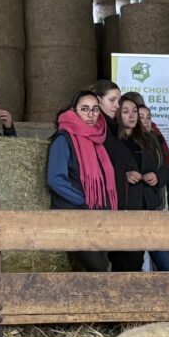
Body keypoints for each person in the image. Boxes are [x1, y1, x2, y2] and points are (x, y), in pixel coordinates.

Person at [46, 89, 118, 273]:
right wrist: (84, 200)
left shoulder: (98, 139)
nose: (90, 115)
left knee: (98, 267)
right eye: (84, 109)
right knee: (98, 268)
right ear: (74, 110)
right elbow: (55, 179)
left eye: (95, 109)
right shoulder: (63, 140)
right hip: (74, 215)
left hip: (95, 215)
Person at [118, 93, 169, 271]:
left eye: (134, 111)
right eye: (126, 111)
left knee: (166, 263)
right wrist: (124, 176)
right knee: (131, 262)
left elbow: (164, 167)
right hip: (127, 209)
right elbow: (106, 171)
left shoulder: (151, 138)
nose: (132, 115)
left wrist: (157, 177)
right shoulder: (112, 141)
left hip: (151, 206)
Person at [92, 79, 143, 272]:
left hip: (122, 201)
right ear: (99, 100)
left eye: (118, 100)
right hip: (110, 203)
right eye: (112, 100)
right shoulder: (99, 129)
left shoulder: (111, 128)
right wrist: (124, 173)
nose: (117, 105)